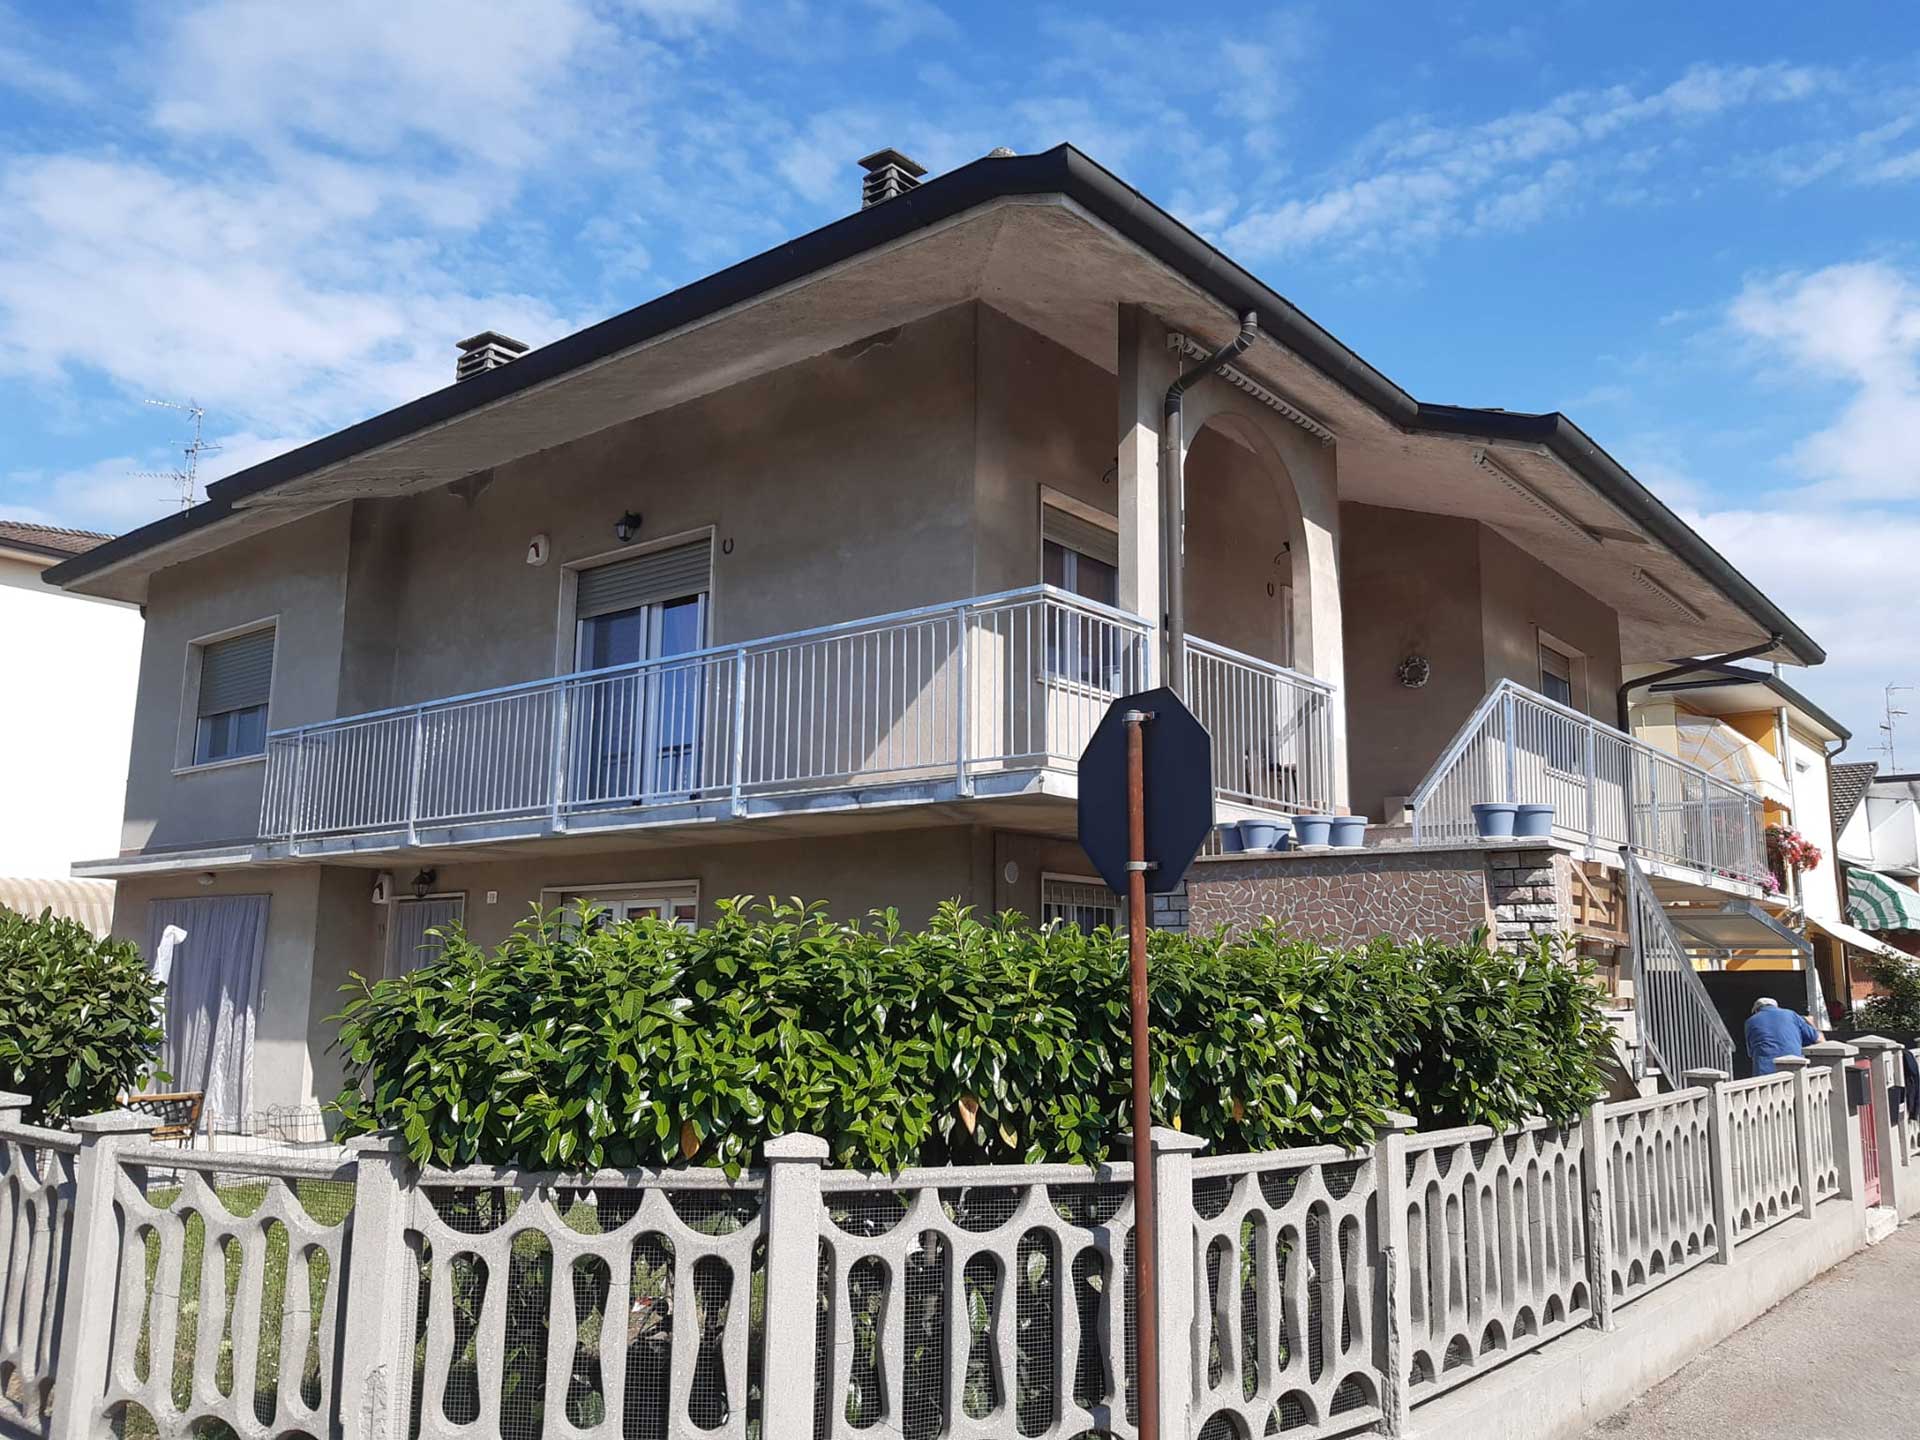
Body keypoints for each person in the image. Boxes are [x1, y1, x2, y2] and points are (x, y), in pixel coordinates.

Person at [1744, 996, 1818, 1075]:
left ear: (1756, 1010)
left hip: (1764, 1072)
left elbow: (1750, 1052)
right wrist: (1811, 1023)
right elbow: (1816, 1038)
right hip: (1795, 1070)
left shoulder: (1750, 1022)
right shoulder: (1791, 1014)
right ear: (1776, 1007)